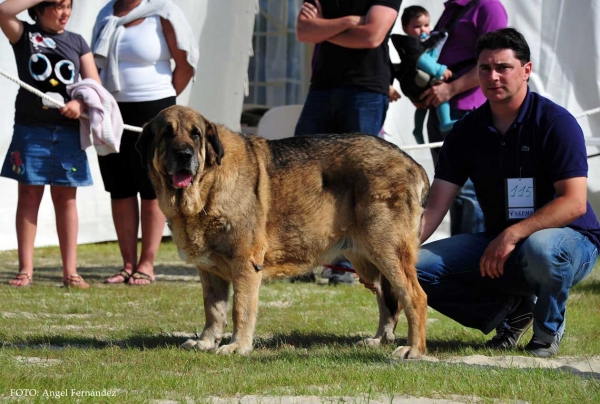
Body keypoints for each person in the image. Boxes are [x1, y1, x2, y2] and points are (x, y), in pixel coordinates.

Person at [416, 28, 600, 358]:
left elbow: (574, 203)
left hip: (570, 241)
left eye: (503, 67)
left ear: (526, 70)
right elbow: (435, 206)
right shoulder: (466, 130)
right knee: (413, 266)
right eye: (484, 68)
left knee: (542, 247)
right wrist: (394, 254)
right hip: (503, 242)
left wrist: (513, 234)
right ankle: (510, 313)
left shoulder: (556, 122)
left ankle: (547, 333)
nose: (493, 76)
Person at [295, 0, 401, 285]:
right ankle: (301, 259)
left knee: (356, 182)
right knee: (300, 175)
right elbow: (304, 32)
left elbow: (372, 36)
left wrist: (324, 29)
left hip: (365, 89)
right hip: (322, 88)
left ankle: (344, 265)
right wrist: (348, 22)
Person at [91, 0, 198, 285]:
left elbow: (185, 65)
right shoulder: (106, 13)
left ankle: (146, 264)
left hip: (155, 110)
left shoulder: (163, 11)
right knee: (119, 186)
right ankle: (127, 263)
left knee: (151, 187)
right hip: (110, 109)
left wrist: (164, 111)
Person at [0, 0, 101, 288]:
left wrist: (78, 103)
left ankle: (71, 273)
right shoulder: (25, 35)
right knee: (29, 198)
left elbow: (94, 85)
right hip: (31, 130)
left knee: (66, 200)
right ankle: (25, 271)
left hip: (68, 133)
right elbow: (3, 11)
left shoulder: (77, 42)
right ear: (39, 8)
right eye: (57, 5)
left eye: (68, 5)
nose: (65, 12)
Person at [418, 0, 507, 235]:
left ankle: (472, 258)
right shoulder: (452, 8)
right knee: (448, 186)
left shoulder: (489, 7)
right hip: (441, 107)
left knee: (470, 189)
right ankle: (458, 257)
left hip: (468, 108)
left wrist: (450, 89)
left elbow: (494, 64)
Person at [391, 5, 454, 144]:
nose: (423, 30)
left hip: (419, 84)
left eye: (426, 25)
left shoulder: (424, 42)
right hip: (417, 81)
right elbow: (421, 60)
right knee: (440, 88)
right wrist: (441, 70)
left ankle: (418, 130)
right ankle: (445, 121)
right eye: (417, 26)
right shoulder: (410, 44)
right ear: (405, 28)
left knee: (423, 106)